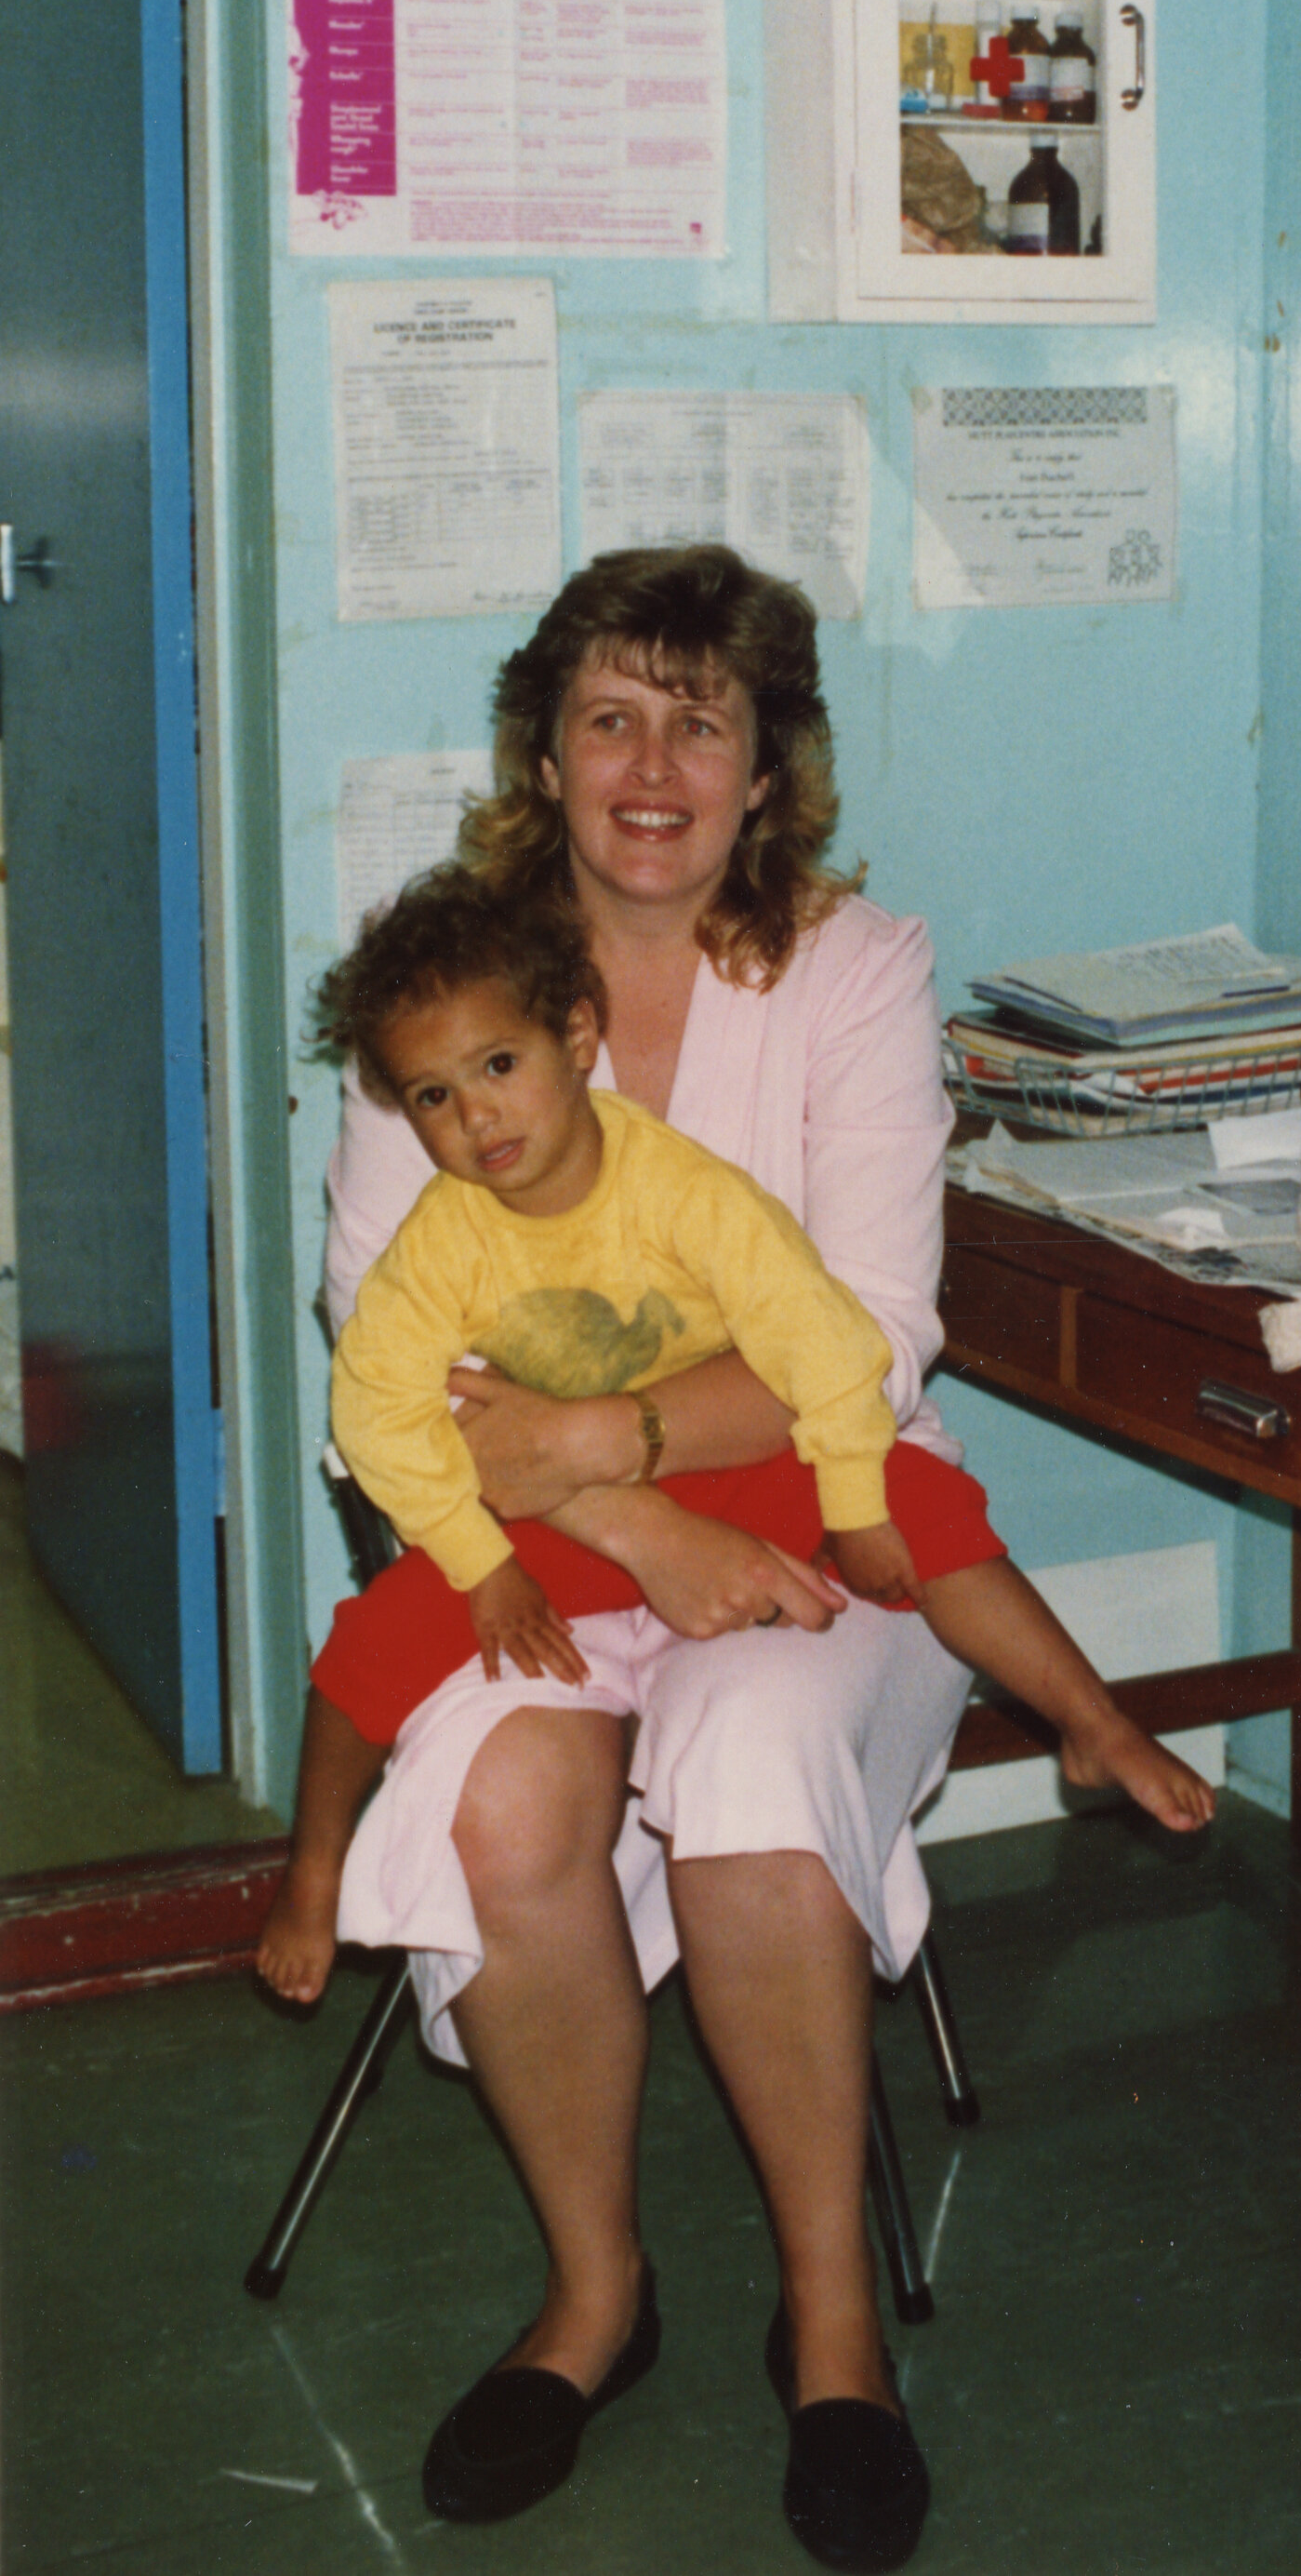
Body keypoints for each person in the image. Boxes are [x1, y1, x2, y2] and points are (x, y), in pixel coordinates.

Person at [306, 545, 1215, 2569]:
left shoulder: (855, 968)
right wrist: (626, 1510)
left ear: (764, 763)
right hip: (542, 1540)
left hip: (825, 1504)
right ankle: (595, 2292)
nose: (653, 767)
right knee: (510, 1795)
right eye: (609, 719)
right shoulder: (449, 980)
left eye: (698, 722)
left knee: (746, 1755)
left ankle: (830, 2331)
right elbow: (389, 1341)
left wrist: (605, 1432)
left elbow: (867, 1336)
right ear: (543, 755)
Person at [259, 871, 1209, 2005]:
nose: (476, 1118)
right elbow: (376, 1409)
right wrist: (481, 1563)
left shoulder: (680, 1188)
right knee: (369, 1639)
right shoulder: (437, 1244)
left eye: (498, 1066)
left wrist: (850, 1502)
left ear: (575, 1039)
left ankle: (1092, 1722)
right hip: (557, 1518)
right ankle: (313, 1868)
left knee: (925, 1500)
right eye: (432, 1095)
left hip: (728, 1466)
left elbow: (822, 1339)